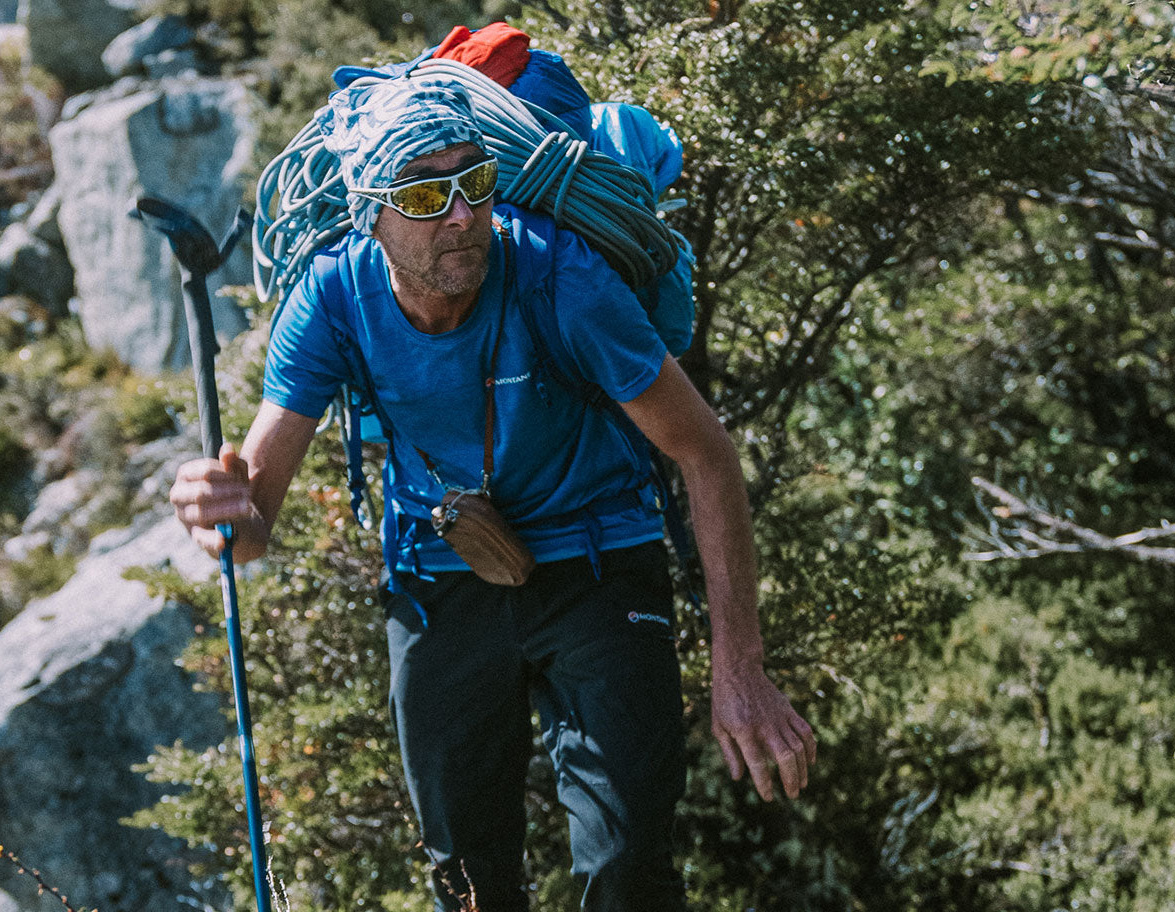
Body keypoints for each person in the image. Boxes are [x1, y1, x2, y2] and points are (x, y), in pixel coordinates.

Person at [169, 76, 816, 912]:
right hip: (441, 582)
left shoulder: (562, 278)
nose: (461, 215)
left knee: (628, 870)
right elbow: (251, 527)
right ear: (370, 208)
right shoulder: (333, 298)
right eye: (425, 193)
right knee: (468, 884)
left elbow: (706, 453)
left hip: (600, 562)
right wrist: (215, 510)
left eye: (473, 181)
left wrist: (742, 668)